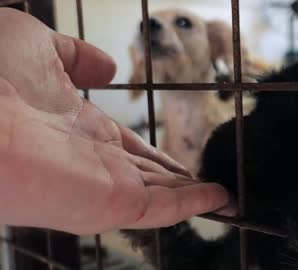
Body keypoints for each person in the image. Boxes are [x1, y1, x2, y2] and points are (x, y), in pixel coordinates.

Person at [0, 8, 235, 235]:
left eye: (183, 23)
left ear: (214, 44)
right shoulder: (164, 150)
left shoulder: (235, 136)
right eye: (145, 25)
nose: (150, 26)